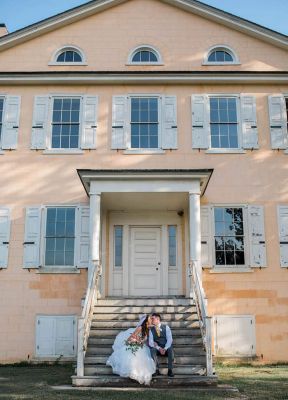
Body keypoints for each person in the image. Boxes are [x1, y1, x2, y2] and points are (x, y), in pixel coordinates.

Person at [106, 315, 156, 385]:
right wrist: (134, 341)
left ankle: (137, 375)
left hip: (141, 346)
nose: (151, 321)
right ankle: (133, 374)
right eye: (150, 320)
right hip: (135, 344)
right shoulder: (140, 328)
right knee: (133, 358)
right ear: (146, 322)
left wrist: (141, 342)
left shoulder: (148, 330)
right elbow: (131, 337)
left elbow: (144, 340)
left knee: (142, 358)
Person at [149, 313, 174, 377]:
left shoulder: (166, 327)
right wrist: (159, 348)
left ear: (157, 319)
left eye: (153, 319)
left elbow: (170, 340)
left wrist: (165, 348)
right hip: (158, 349)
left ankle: (170, 370)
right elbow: (151, 342)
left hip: (166, 347)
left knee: (170, 349)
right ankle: (156, 370)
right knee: (152, 350)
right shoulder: (151, 330)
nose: (151, 320)